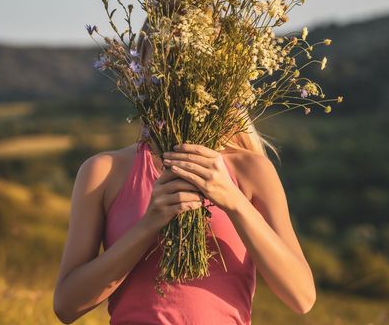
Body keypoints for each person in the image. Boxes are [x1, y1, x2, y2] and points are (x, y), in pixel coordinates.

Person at [53, 18, 316, 324]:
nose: (178, 76)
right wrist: (148, 224)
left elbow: (302, 297)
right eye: (165, 60)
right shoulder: (104, 172)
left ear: (220, 70)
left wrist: (233, 200)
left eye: (194, 60)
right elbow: (67, 306)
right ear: (143, 69)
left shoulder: (250, 169)